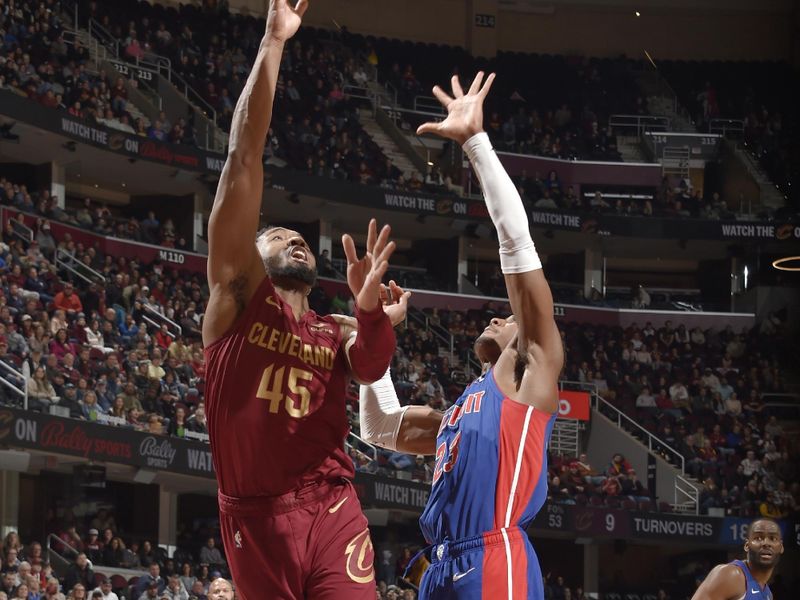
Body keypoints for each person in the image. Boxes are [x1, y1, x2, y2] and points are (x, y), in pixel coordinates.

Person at [202, 2, 400, 599]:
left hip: (331, 507)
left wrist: (369, 313)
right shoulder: (235, 298)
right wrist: (273, 42)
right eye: (276, 233)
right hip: (255, 517)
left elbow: (372, 366)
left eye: (298, 235)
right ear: (250, 253)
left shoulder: (334, 327)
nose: (292, 236)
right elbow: (244, 156)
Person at [360, 72, 563, 599]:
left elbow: (516, 242)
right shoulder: (461, 410)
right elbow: (378, 428)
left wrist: (475, 143)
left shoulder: (533, 370)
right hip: (442, 567)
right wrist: (375, 329)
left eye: (509, 315)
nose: (498, 317)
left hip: (495, 557)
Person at [691, 518, 782, 599]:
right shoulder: (730, 575)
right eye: (758, 538)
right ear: (747, 546)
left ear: (781, 547)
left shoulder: (768, 594)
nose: (766, 543)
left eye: (773, 538)